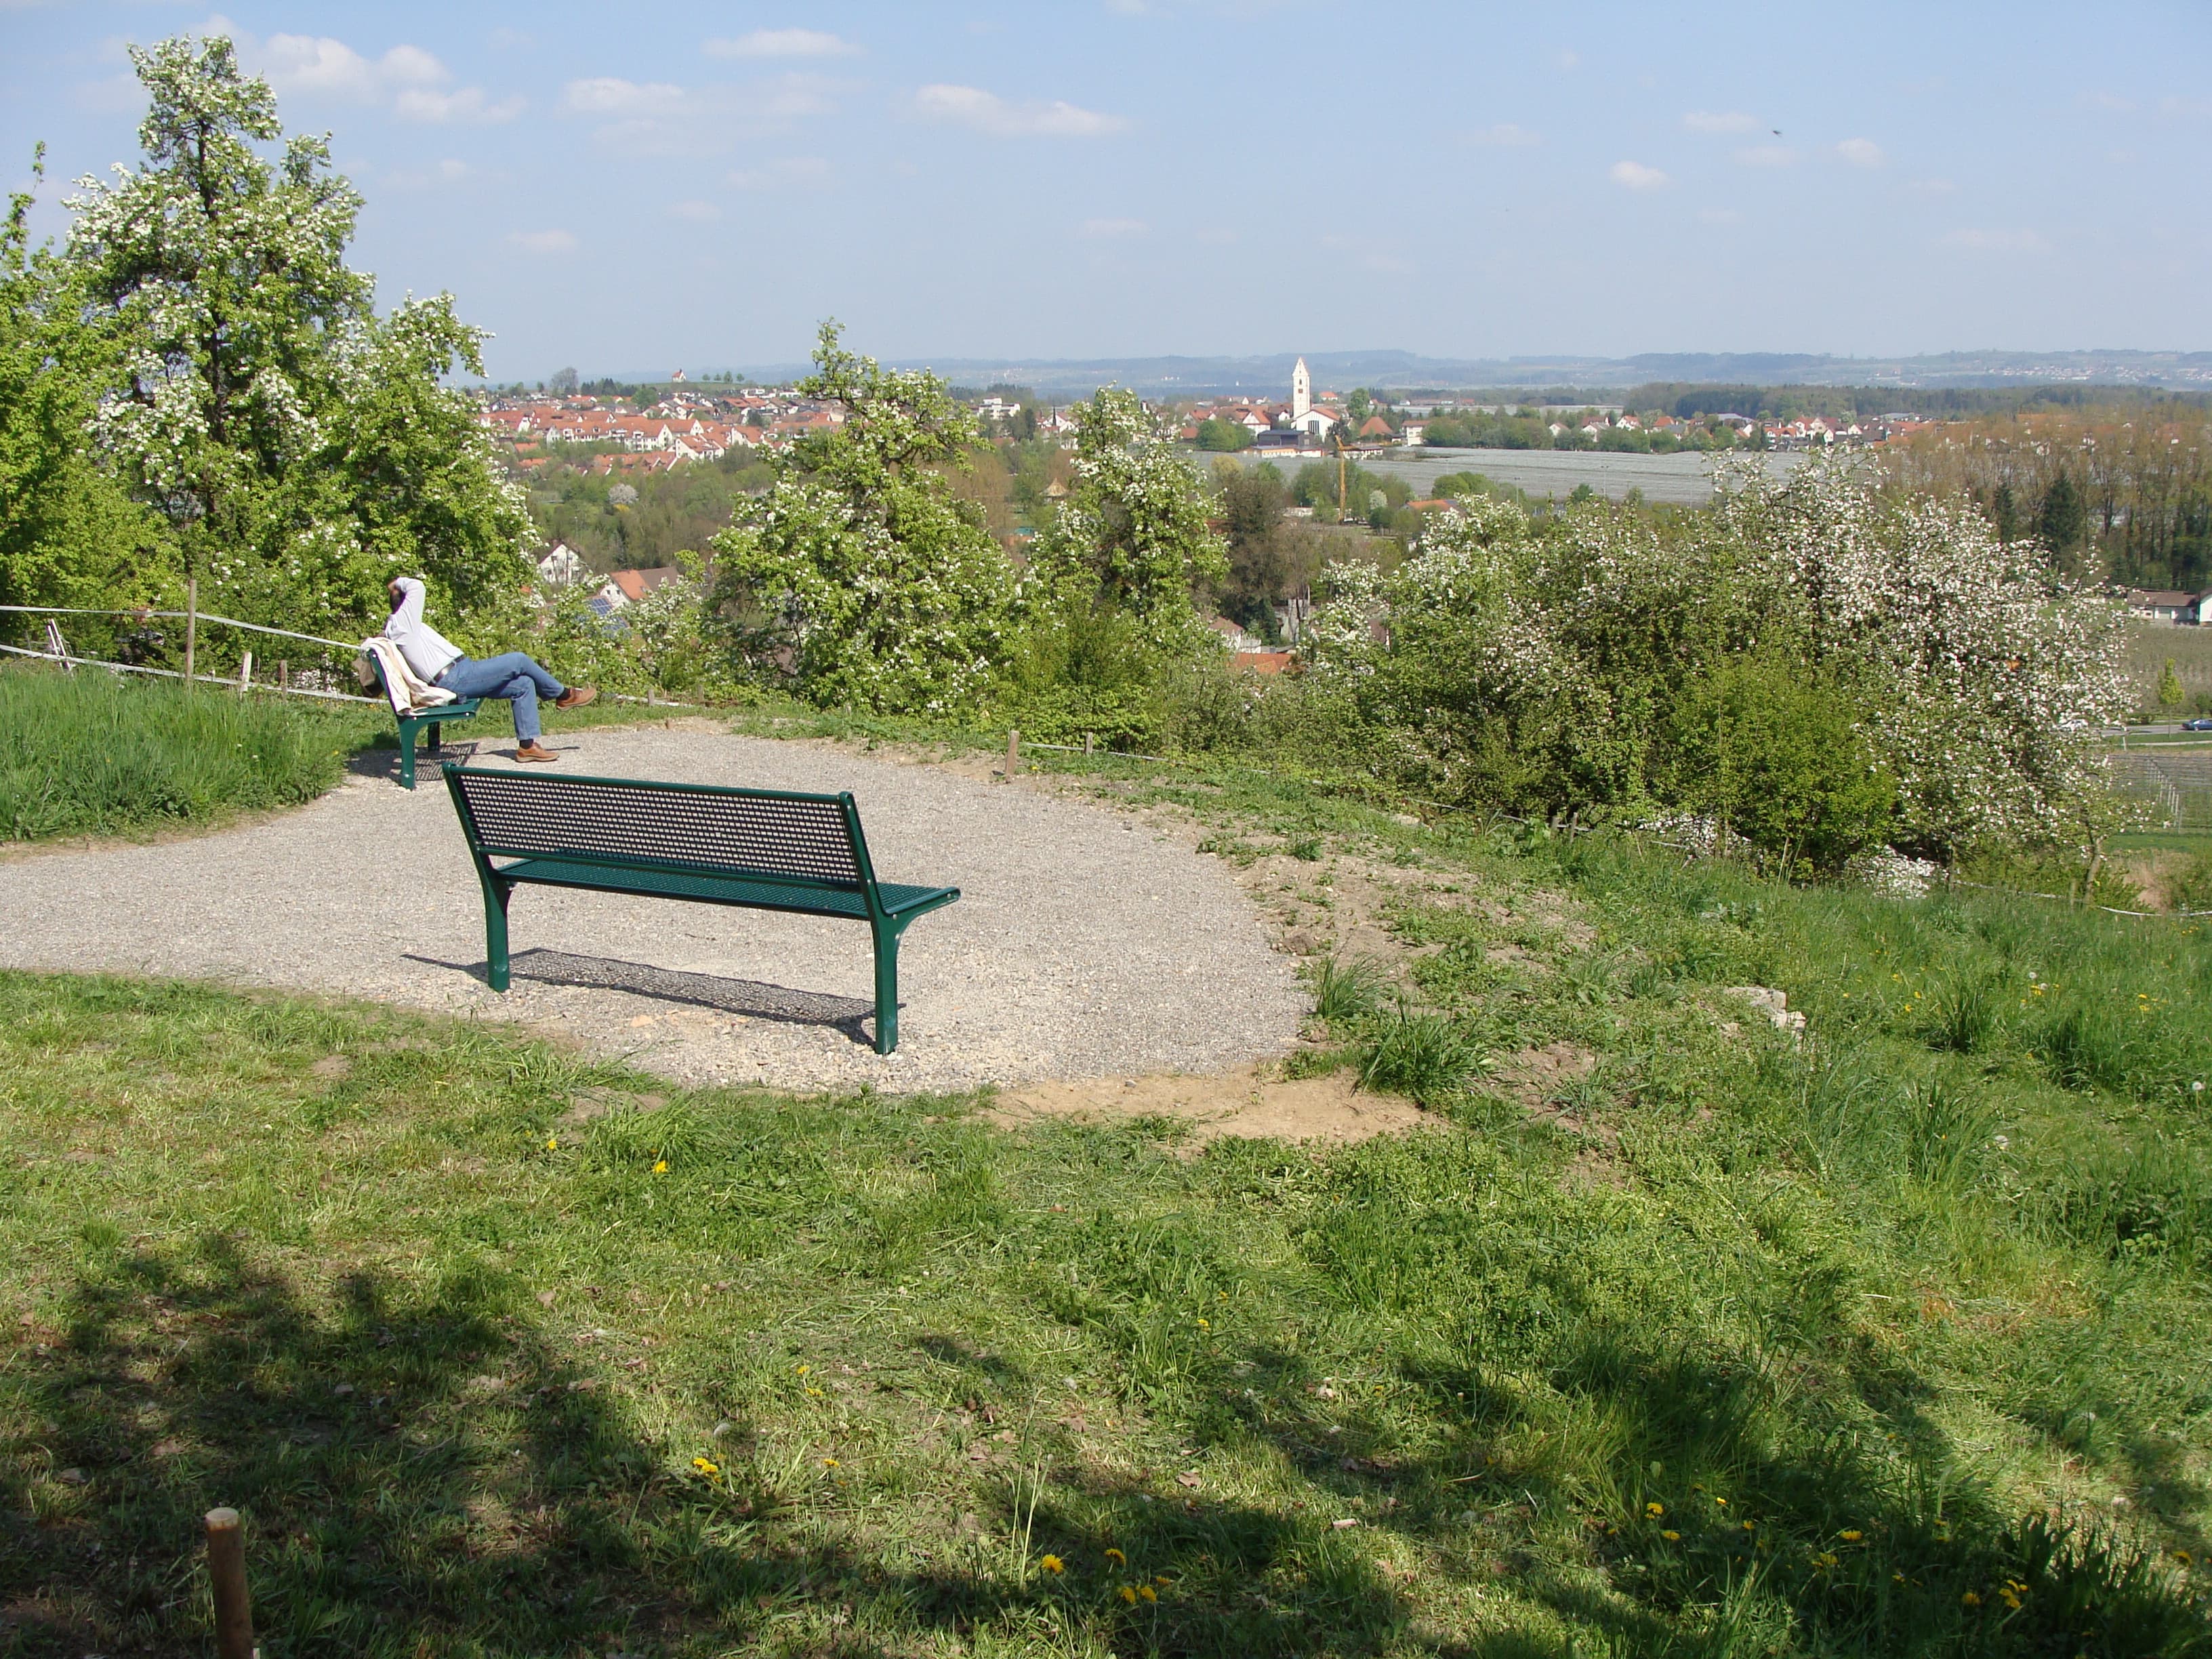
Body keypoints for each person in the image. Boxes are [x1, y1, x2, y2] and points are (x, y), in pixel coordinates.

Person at [383, 576, 595, 763]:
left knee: (523, 684)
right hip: (456, 678)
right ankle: (564, 695)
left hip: (461, 672)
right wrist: (396, 583)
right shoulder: (403, 625)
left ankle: (527, 747)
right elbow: (417, 586)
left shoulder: (403, 626)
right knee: (519, 660)